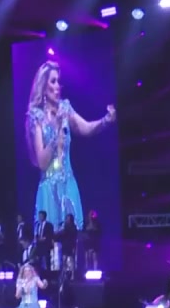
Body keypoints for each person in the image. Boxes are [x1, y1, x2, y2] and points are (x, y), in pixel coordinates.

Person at [24, 60, 116, 230]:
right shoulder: (36, 117)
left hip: (68, 185)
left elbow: (86, 128)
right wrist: (57, 129)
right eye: (53, 81)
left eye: (58, 81)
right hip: (49, 189)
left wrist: (106, 120)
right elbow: (42, 162)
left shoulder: (65, 108)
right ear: (43, 86)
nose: (57, 86)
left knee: (71, 237)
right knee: (50, 237)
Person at [57, 213, 79, 279]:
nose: (67, 219)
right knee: (64, 259)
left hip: (71, 244)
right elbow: (61, 234)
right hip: (65, 244)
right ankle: (64, 273)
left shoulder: (73, 227)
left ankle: (73, 274)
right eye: (66, 218)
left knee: (71, 259)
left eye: (68, 218)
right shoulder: (65, 226)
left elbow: (73, 236)